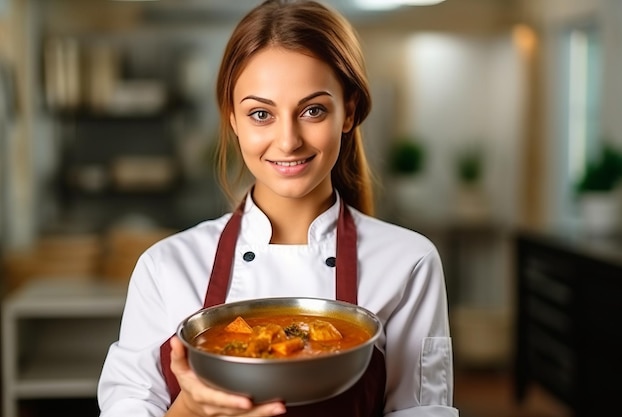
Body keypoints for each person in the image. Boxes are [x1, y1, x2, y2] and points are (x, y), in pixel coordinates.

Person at [97, 0, 458, 416]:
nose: (288, 141)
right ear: (233, 118)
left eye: (312, 110)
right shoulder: (166, 268)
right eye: (261, 113)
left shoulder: (407, 263)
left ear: (349, 111)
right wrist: (188, 412)